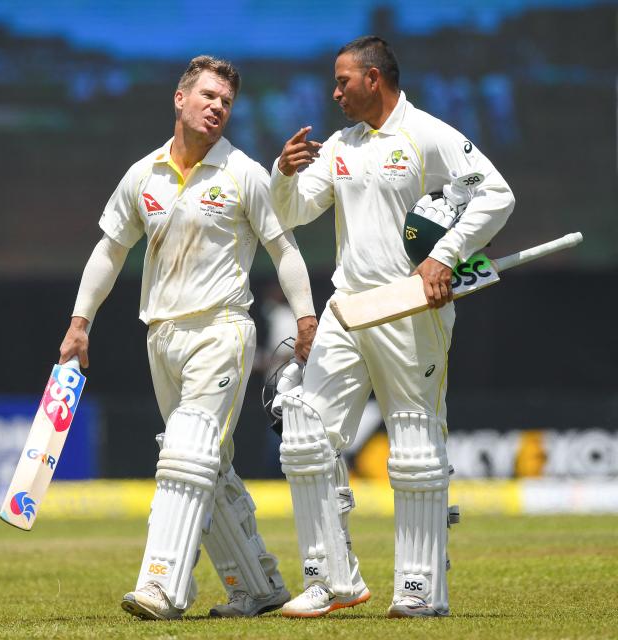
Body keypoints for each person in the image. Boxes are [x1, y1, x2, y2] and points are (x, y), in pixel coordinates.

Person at [58, 55, 318, 620]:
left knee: (186, 453)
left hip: (222, 329)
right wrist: (80, 323)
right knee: (209, 465)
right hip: (162, 337)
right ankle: (259, 586)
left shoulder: (243, 172)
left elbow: (284, 250)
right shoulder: (143, 173)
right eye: (207, 96)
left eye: (226, 102)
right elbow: (110, 252)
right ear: (180, 100)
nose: (217, 107)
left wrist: (305, 320)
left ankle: (163, 587)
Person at [270, 36, 514, 618]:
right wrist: (283, 175)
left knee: (413, 446)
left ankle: (420, 589)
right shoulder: (340, 145)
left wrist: (446, 255)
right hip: (348, 307)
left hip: (409, 307)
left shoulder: (425, 132)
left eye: (343, 82)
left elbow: (496, 195)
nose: (335, 93)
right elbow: (293, 211)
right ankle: (333, 581)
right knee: (306, 439)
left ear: (374, 79)